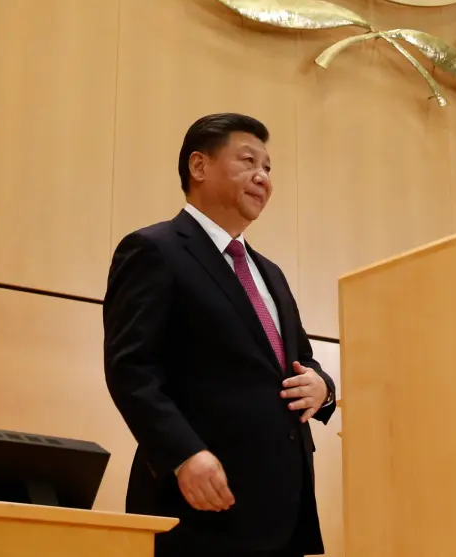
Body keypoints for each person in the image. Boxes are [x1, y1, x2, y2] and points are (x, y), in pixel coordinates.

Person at [104, 113, 335, 556]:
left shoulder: (271, 274)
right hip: (198, 506)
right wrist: (183, 454)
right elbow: (131, 369)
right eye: (248, 160)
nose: (262, 177)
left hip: (284, 511)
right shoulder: (155, 251)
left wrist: (323, 387)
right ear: (199, 166)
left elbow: (303, 359)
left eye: (268, 168)